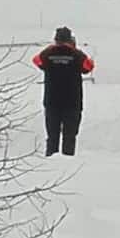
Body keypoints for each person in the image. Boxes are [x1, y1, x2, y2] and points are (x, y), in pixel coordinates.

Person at [32, 27, 95, 156]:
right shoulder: (76, 54)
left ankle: (51, 159)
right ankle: (67, 160)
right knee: (70, 136)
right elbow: (88, 67)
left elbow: (36, 60)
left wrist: (51, 52)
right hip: (72, 101)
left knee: (52, 136)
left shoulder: (48, 53)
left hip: (52, 101)